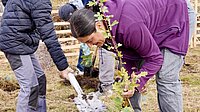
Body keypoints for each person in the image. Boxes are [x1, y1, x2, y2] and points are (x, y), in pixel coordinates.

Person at [69, 0, 190, 111]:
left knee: (166, 77)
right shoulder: (105, 34)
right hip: (149, 24)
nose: (90, 46)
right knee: (128, 80)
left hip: (174, 17)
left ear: (98, 26)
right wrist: (133, 81)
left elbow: (155, 58)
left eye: (90, 40)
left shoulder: (128, 25)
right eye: (86, 43)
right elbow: (127, 55)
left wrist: (139, 80)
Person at [0, 0, 73, 111]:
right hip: (14, 44)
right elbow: (49, 37)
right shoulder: (40, 2)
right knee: (29, 86)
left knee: (40, 80)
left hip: (23, 41)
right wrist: (63, 67)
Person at [59, 0, 115, 94]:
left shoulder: (88, 7)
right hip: (99, 28)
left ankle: (106, 86)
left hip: (106, 27)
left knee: (107, 50)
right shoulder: (80, 7)